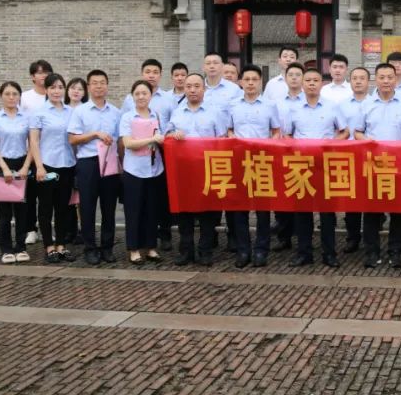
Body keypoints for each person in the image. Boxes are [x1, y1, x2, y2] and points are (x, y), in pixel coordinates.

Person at [354, 63, 401, 268]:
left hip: (398, 166)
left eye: (390, 77)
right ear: (376, 79)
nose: (386, 81)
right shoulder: (366, 104)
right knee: (371, 212)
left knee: (398, 212)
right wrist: (369, 141)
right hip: (372, 166)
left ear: (395, 79)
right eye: (382, 77)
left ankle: (395, 252)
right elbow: (357, 132)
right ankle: (372, 253)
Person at [287, 67, 348, 267]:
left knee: (327, 212)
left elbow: (345, 132)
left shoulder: (332, 106)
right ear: (302, 84)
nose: (312, 84)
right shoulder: (293, 108)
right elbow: (287, 135)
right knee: (302, 211)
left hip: (325, 165)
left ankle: (329, 253)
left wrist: (330, 144)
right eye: (308, 80)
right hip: (301, 166)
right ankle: (304, 253)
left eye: (315, 80)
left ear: (322, 84)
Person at [166, 73, 227, 266]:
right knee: (184, 213)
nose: (192, 90)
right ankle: (186, 251)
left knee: (207, 213)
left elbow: (222, 140)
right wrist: (172, 134)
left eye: (196, 86)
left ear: (204, 89)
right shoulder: (177, 112)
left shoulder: (215, 112)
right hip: (183, 171)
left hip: (207, 169)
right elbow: (166, 134)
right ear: (184, 89)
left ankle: (205, 251)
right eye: (189, 86)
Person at [228, 65, 282, 268]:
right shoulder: (233, 105)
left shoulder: (270, 105)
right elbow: (228, 130)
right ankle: (243, 250)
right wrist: (234, 140)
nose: (250, 83)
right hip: (239, 162)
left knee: (262, 210)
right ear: (241, 82)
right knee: (239, 209)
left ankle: (261, 250)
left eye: (254, 79)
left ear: (260, 82)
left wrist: (269, 145)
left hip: (262, 162)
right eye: (247, 79)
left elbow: (276, 131)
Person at [67, 69, 122, 265]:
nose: (99, 86)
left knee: (109, 208)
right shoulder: (80, 111)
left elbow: (120, 141)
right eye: (95, 83)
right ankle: (90, 248)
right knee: (87, 207)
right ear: (89, 87)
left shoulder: (116, 112)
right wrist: (95, 134)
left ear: (107, 86)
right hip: (88, 162)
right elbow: (72, 139)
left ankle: (107, 248)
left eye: (102, 83)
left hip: (110, 162)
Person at [118, 80, 167, 265]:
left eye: (144, 93)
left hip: (154, 170)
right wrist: (152, 139)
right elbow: (128, 143)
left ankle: (151, 247)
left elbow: (162, 139)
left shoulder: (156, 115)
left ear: (150, 95)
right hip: (134, 170)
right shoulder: (127, 117)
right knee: (134, 211)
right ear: (132, 96)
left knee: (152, 210)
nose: (141, 97)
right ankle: (134, 249)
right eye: (137, 93)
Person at [29, 74, 76, 264]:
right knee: (46, 207)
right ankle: (49, 246)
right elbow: (34, 141)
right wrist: (39, 166)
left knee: (63, 207)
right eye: (52, 87)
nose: (57, 91)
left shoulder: (71, 112)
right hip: (47, 165)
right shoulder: (39, 113)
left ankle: (61, 245)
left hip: (67, 164)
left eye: (60, 87)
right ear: (46, 90)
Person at [0, 81, 32, 264]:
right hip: (0, 163)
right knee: (4, 213)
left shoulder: (27, 118)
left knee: (22, 210)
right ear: (1, 96)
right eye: (7, 94)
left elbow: (33, 144)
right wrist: (4, 168)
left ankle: (21, 247)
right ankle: (6, 249)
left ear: (19, 96)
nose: (11, 97)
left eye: (15, 94)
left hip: (22, 163)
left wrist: (26, 167)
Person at [271, 62, 306, 252]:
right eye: (290, 75)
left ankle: (302, 238)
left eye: (297, 75)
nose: (294, 78)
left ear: (303, 78)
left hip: (304, 156)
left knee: (301, 196)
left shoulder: (309, 100)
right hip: (281, 153)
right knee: (283, 196)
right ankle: (284, 237)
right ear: (285, 78)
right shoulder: (276, 102)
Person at [338, 66, 372, 254]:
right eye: (355, 78)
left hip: (371, 158)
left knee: (370, 199)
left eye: (362, 78)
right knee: (351, 200)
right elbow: (338, 130)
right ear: (350, 81)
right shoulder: (342, 105)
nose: (358, 81)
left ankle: (370, 238)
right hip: (349, 157)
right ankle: (352, 237)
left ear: (369, 81)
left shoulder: (374, 103)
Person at [21, 59, 52, 247]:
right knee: (30, 193)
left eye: (46, 72)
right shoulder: (25, 97)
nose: (43, 76)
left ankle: (48, 228)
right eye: (39, 72)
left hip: (49, 153)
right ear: (33, 76)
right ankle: (31, 229)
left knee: (48, 195)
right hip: (29, 152)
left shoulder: (54, 95)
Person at [63, 78, 87, 245]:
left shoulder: (86, 110)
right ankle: (69, 229)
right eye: (73, 88)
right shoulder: (62, 109)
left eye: (80, 89)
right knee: (66, 196)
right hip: (64, 158)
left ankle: (82, 230)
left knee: (80, 198)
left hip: (81, 159)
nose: (76, 91)